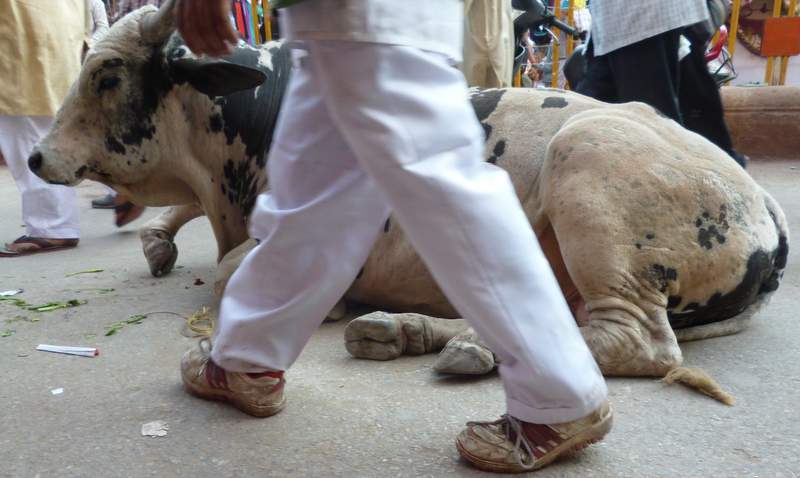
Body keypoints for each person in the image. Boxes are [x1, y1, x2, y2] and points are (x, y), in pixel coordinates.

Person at [175, 0, 611, 472]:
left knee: (439, 184)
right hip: (338, 19)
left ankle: (558, 393)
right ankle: (248, 355)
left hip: (368, 14)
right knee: (315, 188)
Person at [575, 0, 747, 167]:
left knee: (654, 127)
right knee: (593, 110)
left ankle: (717, 174)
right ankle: (723, 167)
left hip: (640, 19)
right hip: (622, 22)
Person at [0, 0, 90, 257]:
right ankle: (55, 224)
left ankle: (52, 227)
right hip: (55, 34)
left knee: (27, 131)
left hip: (21, 38)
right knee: (41, 128)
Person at [462, 0, 515, 88]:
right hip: (499, 41)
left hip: (478, 42)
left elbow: (454, 12)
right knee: (498, 92)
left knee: (474, 94)